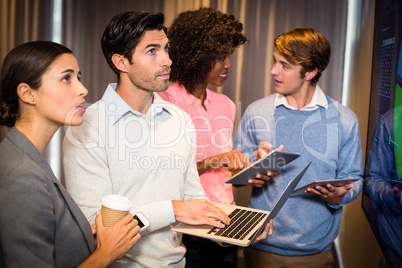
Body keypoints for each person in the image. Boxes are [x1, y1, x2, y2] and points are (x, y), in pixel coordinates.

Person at [62, 11, 273, 267]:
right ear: (121, 62)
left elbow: (194, 200)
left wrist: (236, 229)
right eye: (152, 51)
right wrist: (172, 209)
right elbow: (95, 225)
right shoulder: (87, 127)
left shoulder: (179, 119)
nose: (167, 60)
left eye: (166, 49)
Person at [0, 41, 141, 267]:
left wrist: (81, 237)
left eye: (78, 76)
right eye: (67, 78)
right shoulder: (22, 173)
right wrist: (106, 254)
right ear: (27, 93)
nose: (82, 89)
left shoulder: (24, 155)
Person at [233, 28, 363, 268]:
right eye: (275, 61)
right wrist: (255, 167)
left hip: (316, 252)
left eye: (284, 65)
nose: (274, 70)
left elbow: (355, 178)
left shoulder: (344, 120)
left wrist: (339, 196)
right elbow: (235, 171)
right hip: (262, 247)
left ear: (310, 71)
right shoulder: (256, 111)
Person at [157, 7, 252, 267]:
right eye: (221, 57)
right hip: (186, 229)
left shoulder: (226, 105)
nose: (228, 65)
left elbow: (224, 173)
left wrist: (249, 168)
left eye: (229, 56)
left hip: (225, 222)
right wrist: (215, 160)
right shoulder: (164, 102)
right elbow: (163, 175)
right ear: (197, 57)